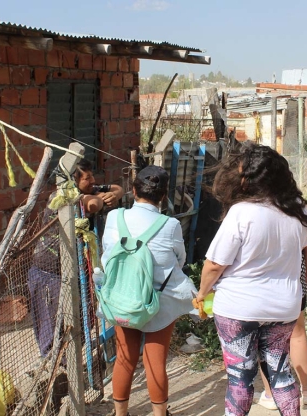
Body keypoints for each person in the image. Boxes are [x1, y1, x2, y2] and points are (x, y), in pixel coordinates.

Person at [196, 143, 307, 416]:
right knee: (281, 373)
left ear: (249, 179)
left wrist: (202, 293)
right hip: (284, 306)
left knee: (240, 377)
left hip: (239, 308)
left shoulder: (242, 212)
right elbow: (305, 250)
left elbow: (214, 265)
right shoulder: (299, 210)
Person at [101, 165, 196, 416]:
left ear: (133, 191)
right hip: (158, 305)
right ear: (163, 196)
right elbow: (179, 260)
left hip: (122, 300)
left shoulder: (114, 218)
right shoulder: (170, 225)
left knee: (125, 357)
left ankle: (120, 414)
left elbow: (107, 254)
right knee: (155, 361)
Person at [28, 158, 123, 357]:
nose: (93, 181)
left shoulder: (84, 191)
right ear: (73, 181)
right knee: (51, 321)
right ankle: (54, 363)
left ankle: (70, 358)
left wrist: (112, 193)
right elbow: (94, 204)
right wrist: (105, 196)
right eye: (87, 178)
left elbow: (117, 188)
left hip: (69, 269)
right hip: (48, 272)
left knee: (75, 317)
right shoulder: (62, 198)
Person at [257, 242, 307, 409]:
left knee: (264, 335)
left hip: (261, 280)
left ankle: (270, 394)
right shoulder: (303, 213)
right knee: (297, 333)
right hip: (293, 278)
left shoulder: (251, 214)